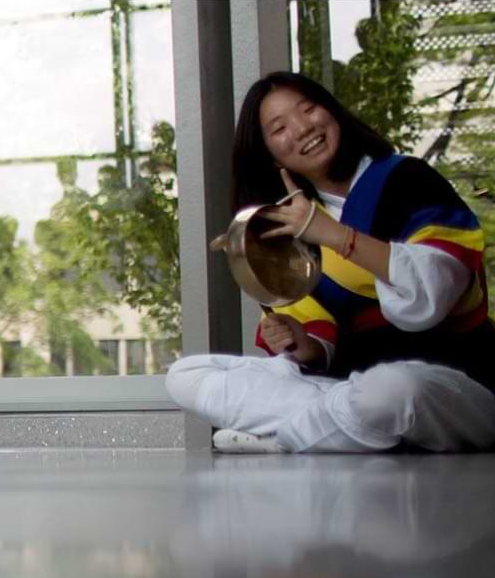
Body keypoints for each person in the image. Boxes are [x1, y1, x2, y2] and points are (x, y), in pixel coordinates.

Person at [166, 71, 495, 454]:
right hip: (349, 386)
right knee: (186, 375)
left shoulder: (408, 179)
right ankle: (335, 427)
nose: (303, 128)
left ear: (333, 113)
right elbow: (316, 349)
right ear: (270, 154)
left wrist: (334, 235)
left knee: (391, 390)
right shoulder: (290, 224)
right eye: (280, 128)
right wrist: (299, 340)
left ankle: (287, 438)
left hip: (455, 383)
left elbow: (431, 296)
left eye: (309, 109)